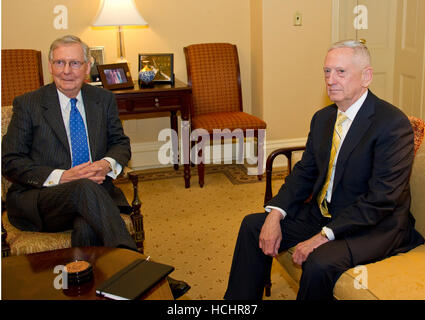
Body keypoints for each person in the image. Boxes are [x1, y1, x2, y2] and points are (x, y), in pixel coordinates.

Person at [224, 40, 424, 300]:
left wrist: (322, 237)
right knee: (253, 226)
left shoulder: (391, 124)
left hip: (375, 225)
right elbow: (305, 172)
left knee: (319, 262)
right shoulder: (323, 118)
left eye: (341, 72)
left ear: (366, 76)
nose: (331, 80)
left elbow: (382, 199)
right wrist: (275, 214)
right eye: (327, 71)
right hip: (324, 212)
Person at [2, 35, 189, 299]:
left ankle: (90, 291)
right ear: (50, 65)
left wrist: (106, 164)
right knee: (81, 188)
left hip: (92, 200)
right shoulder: (29, 104)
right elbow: (10, 161)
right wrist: (62, 176)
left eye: (75, 63)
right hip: (41, 201)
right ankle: (140, 268)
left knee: (86, 225)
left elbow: (120, 144)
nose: (67, 70)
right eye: (60, 62)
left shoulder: (103, 99)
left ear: (88, 66)